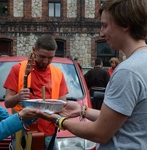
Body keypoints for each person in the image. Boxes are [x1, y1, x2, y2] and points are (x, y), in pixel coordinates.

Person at [36, 0, 147, 149]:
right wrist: (82, 110)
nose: (101, 33)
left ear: (125, 24)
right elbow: (124, 119)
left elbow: (100, 133)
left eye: (105, 25)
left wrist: (58, 120)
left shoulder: (127, 71)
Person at [3, 34, 69, 150]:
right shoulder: (18, 69)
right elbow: (8, 103)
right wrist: (18, 97)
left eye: (50, 58)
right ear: (34, 50)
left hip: (49, 132)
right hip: (22, 130)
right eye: (42, 56)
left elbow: (62, 104)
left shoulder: (58, 73)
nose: (45, 61)